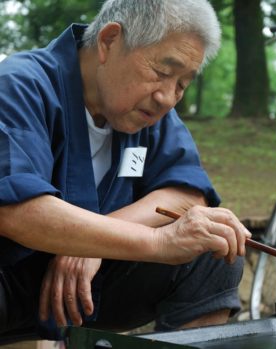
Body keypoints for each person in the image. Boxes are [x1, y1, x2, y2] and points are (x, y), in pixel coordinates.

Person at [0, 0, 251, 341]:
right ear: (109, 41)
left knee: (212, 250)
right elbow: (17, 211)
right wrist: (154, 240)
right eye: (162, 72)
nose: (167, 97)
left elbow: (187, 192)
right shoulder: (20, 84)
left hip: (86, 289)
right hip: (11, 280)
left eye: (182, 84)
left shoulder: (147, 110)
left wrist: (96, 242)